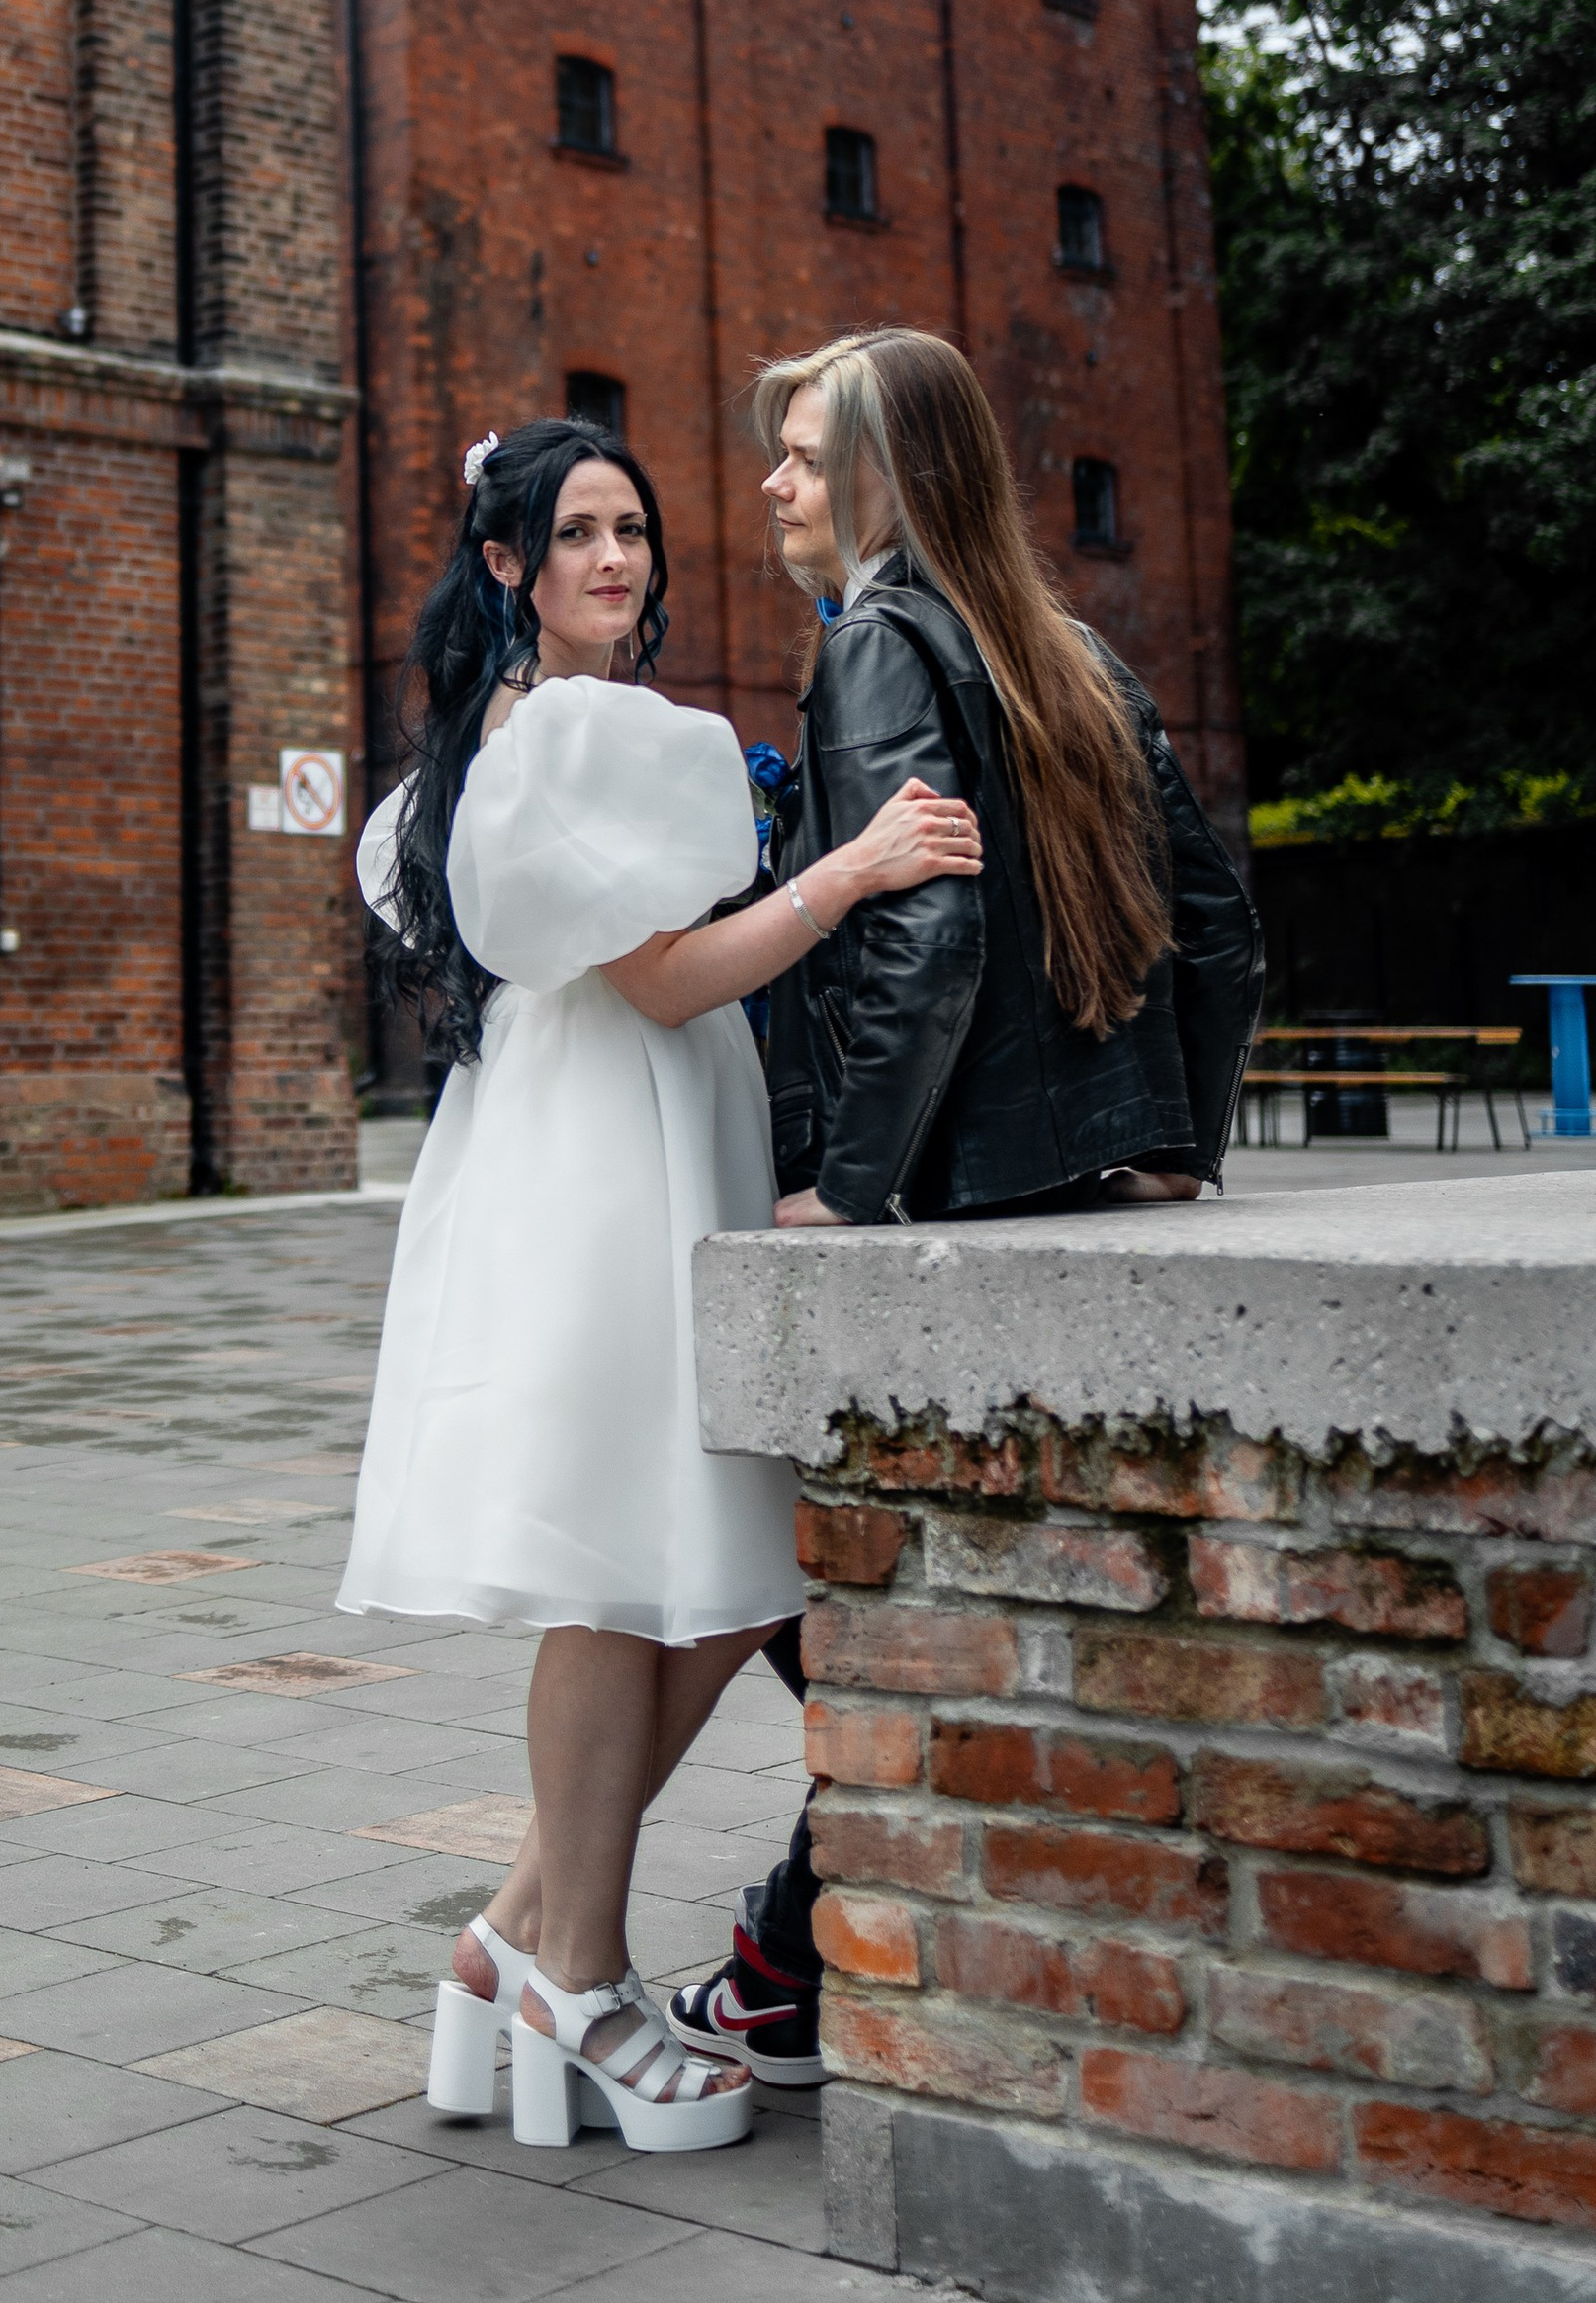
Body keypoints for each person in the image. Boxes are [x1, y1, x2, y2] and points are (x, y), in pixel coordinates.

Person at [339, 414, 982, 2153]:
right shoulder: (572, 733)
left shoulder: (519, 730)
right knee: (622, 1576)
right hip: (608, 1159)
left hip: (607, 1138)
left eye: (631, 528)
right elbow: (671, 980)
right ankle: (582, 1979)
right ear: (507, 566)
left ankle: (509, 1939)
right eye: (576, 534)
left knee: (693, 1563)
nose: (616, 558)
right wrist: (854, 870)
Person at [669, 324, 1262, 2083]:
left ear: (884, 475)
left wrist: (846, 1191)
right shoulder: (1070, 648)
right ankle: (799, 1950)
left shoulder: (876, 642)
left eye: (802, 453)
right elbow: (1222, 929)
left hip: (945, 1197)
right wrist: (1175, 1142)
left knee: (830, 1591)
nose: (771, 482)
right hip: (1084, 1188)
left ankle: (791, 1960)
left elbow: (923, 934)